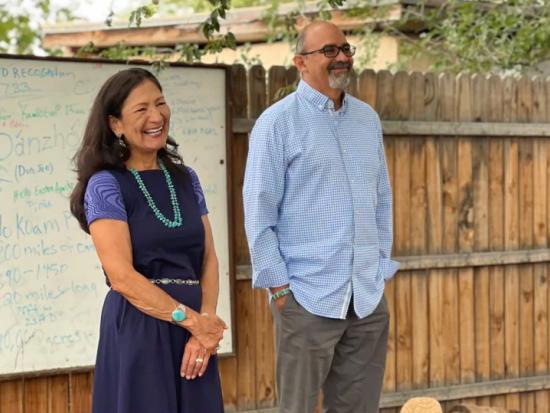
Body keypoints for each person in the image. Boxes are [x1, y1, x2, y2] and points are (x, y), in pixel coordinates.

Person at [243, 21, 399, 413]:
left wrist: (378, 267)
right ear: (300, 62)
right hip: (306, 298)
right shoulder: (276, 124)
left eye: (346, 48)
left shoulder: (367, 120)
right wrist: (279, 289)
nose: (342, 57)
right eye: (329, 50)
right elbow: (259, 211)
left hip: (365, 299)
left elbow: (381, 201)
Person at [70, 67, 227, 413]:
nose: (156, 116)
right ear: (115, 124)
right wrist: (192, 322)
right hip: (140, 329)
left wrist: (206, 322)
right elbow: (122, 276)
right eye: (141, 109)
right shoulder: (106, 184)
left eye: (160, 104)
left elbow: (209, 260)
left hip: (193, 335)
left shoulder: (187, 179)